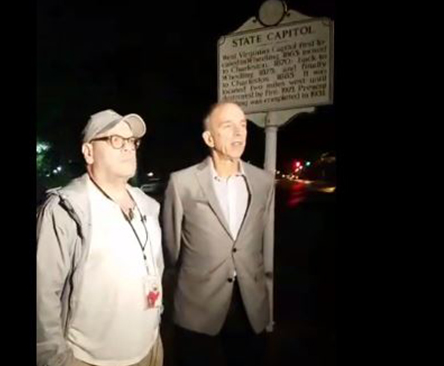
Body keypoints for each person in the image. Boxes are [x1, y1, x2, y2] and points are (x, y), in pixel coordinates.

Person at [37, 109, 164, 366]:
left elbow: (156, 268)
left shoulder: (147, 206)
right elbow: (42, 295)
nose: (128, 148)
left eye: (132, 142)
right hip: (89, 358)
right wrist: (57, 359)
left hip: (149, 349)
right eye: (116, 140)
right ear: (89, 152)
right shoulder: (65, 210)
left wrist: (156, 328)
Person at [162, 102, 275, 366]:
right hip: (197, 309)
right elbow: (171, 248)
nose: (239, 133)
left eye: (243, 125)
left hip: (250, 307)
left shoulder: (263, 182)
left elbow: (261, 237)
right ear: (209, 137)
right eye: (228, 126)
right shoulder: (182, 183)